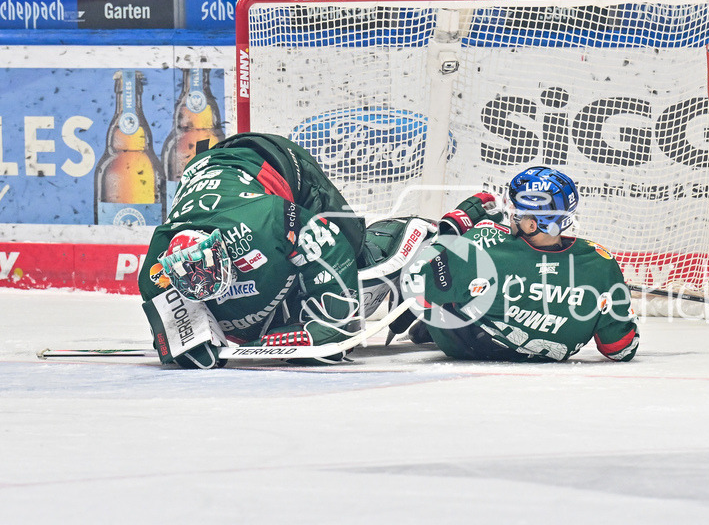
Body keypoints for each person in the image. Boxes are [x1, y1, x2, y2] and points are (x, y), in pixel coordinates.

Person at [138, 132, 367, 369]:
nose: (201, 286)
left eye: (207, 275)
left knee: (353, 242)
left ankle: (399, 240)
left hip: (273, 159)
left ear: (221, 248)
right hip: (202, 168)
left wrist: (335, 316)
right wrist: (181, 339)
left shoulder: (265, 220)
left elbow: (329, 243)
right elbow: (169, 326)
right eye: (193, 283)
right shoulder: (155, 274)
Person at [403, 166, 639, 362]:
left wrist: (451, 231)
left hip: (468, 345)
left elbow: (415, 281)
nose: (509, 213)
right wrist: (617, 300)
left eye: (516, 209)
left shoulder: (482, 243)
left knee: (415, 234)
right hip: (542, 356)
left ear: (531, 225)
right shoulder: (601, 261)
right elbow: (620, 348)